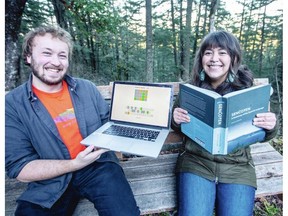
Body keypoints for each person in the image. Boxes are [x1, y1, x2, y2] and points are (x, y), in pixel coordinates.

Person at [5, 25, 140, 216]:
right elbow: (20, 168)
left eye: (62, 55)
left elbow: (109, 127)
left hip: (98, 167)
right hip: (50, 179)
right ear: (28, 57)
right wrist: (75, 163)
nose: (56, 61)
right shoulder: (12, 104)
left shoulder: (87, 89)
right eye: (47, 53)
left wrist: (136, 123)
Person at [171, 30, 278, 216]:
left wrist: (271, 126)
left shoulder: (247, 91)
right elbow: (177, 125)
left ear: (233, 57)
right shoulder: (191, 90)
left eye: (222, 52)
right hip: (197, 163)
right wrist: (175, 119)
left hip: (237, 166)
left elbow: (264, 133)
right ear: (201, 58)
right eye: (208, 52)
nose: (214, 59)